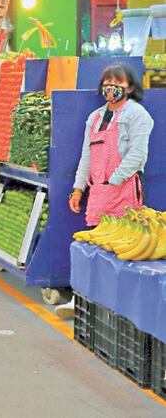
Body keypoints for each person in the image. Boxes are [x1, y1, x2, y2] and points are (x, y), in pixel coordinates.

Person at [56, 63, 154, 319]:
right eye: (107, 83)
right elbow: (86, 157)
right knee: (92, 247)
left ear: (130, 88)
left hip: (124, 192)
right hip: (98, 193)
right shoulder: (95, 117)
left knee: (121, 251)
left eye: (118, 83)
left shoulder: (137, 115)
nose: (111, 88)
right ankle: (84, 300)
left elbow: (138, 154)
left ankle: (118, 308)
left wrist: (115, 179)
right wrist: (78, 189)